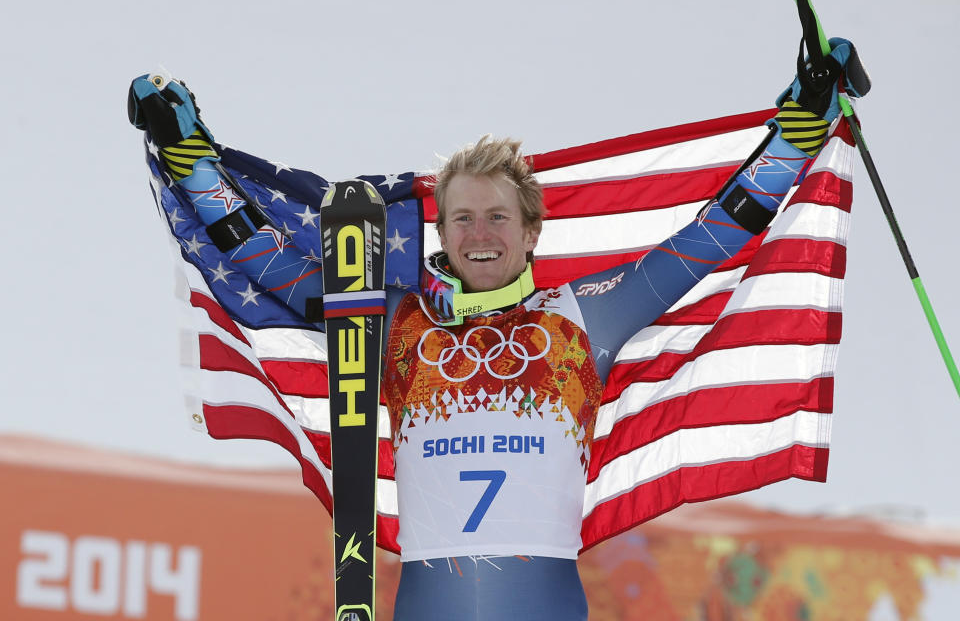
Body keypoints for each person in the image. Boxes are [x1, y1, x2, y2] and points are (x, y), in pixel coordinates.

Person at [128, 37, 867, 620]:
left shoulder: (582, 317)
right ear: (441, 236)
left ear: (531, 231)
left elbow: (716, 233)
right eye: (462, 219)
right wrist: (192, 160)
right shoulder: (397, 324)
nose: (480, 235)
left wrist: (797, 133)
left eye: (497, 217)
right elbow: (271, 265)